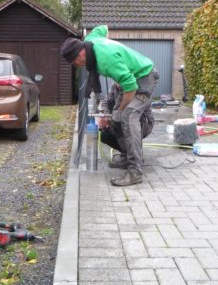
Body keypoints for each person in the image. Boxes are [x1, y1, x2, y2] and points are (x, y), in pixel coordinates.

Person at [60, 25, 159, 186]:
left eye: (75, 62)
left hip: (146, 77)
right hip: (134, 76)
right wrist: (121, 71)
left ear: (81, 53)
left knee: (127, 116)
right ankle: (127, 157)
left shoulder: (107, 61)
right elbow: (103, 27)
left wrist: (119, 111)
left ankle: (135, 172)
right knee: (116, 118)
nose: (78, 65)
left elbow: (132, 87)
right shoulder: (90, 40)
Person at [97, 83, 155, 168]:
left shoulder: (135, 87)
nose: (118, 82)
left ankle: (135, 159)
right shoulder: (113, 88)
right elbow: (105, 103)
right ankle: (126, 155)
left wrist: (114, 118)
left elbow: (132, 113)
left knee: (124, 123)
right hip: (119, 119)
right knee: (103, 134)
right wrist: (106, 118)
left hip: (142, 122)